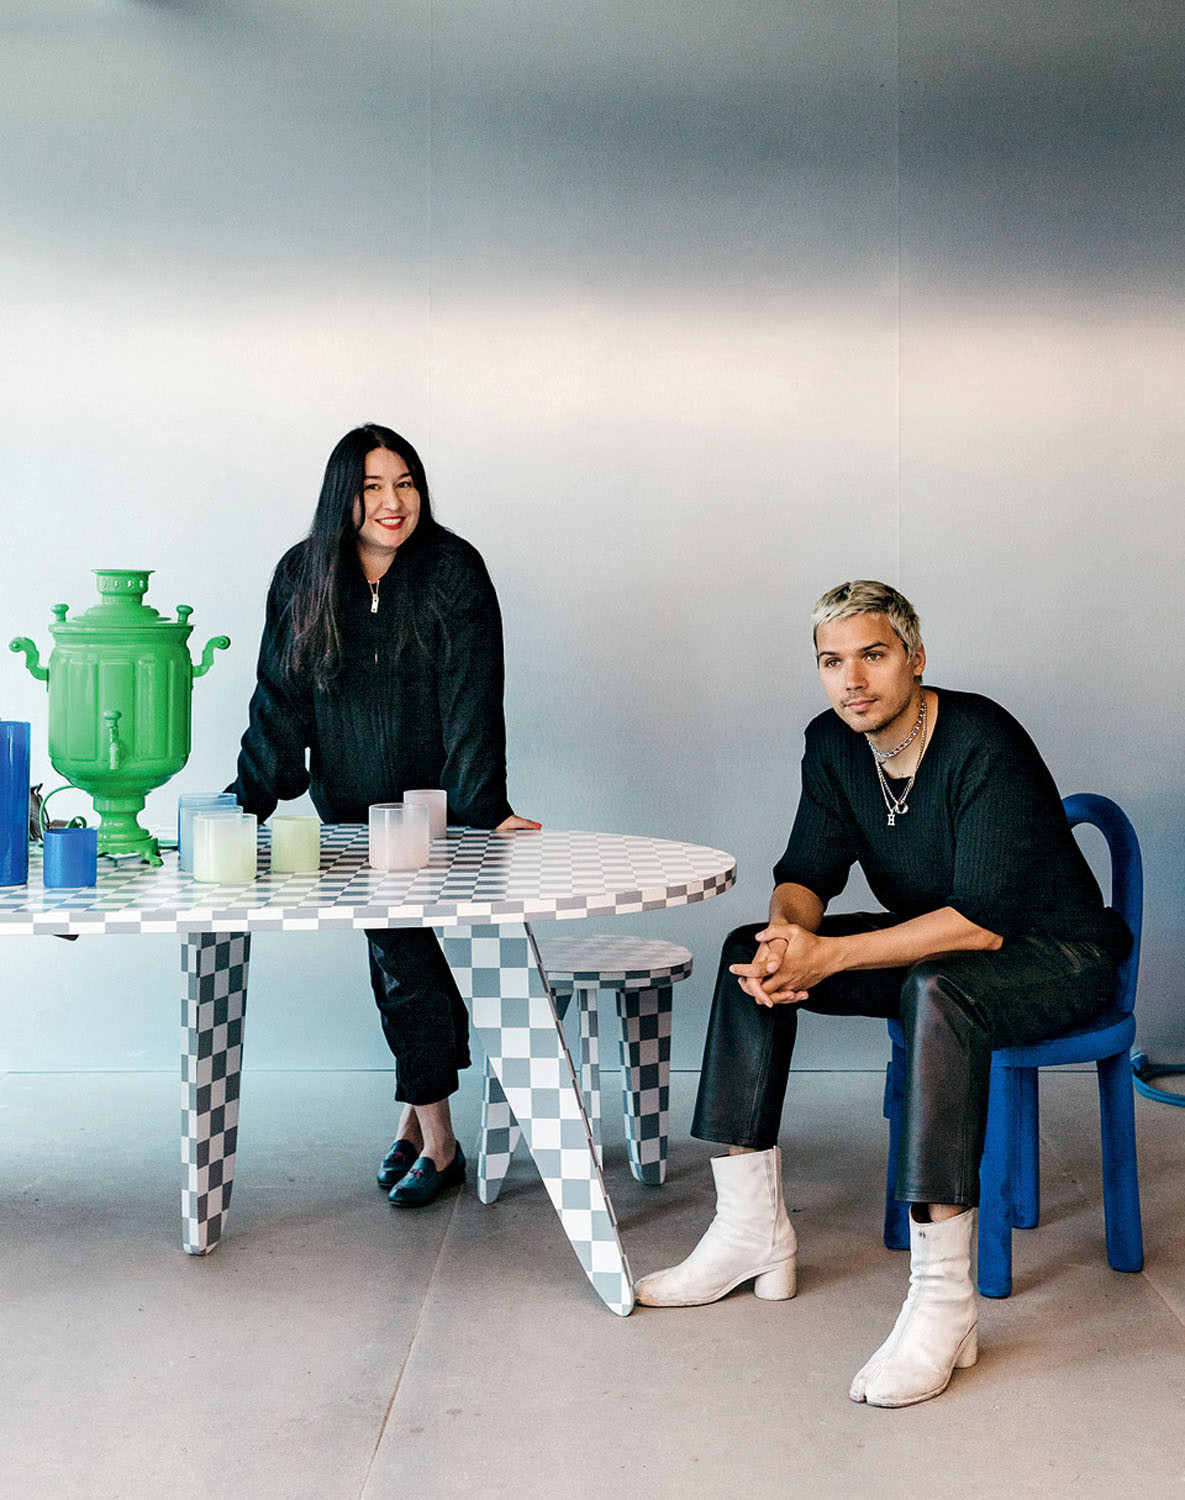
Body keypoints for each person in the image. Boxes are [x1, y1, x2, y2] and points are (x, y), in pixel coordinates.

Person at [634, 580, 1129, 1408]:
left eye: (872, 655)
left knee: (940, 991)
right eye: (832, 662)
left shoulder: (980, 737)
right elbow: (806, 873)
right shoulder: (833, 744)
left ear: (915, 657)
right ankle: (749, 1230)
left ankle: (943, 1303)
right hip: (936, 951)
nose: (852, 680)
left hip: (1055, 955)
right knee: (746, 954)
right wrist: (788, 938)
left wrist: (827, 957)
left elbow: (979, 925)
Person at [230, 423, 538, 1209]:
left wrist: (484, 810)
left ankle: (434, 1138)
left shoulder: (452, 570)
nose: (392, 502)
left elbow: (475, 698)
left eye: (405, 482)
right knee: (405, 961)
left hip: (438, 815)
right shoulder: (302, 574)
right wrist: (243, 806)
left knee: (411, 964)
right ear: (343, 495)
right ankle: (425, 1129)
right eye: (371, 486)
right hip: (349, 818)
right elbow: (279, 700)